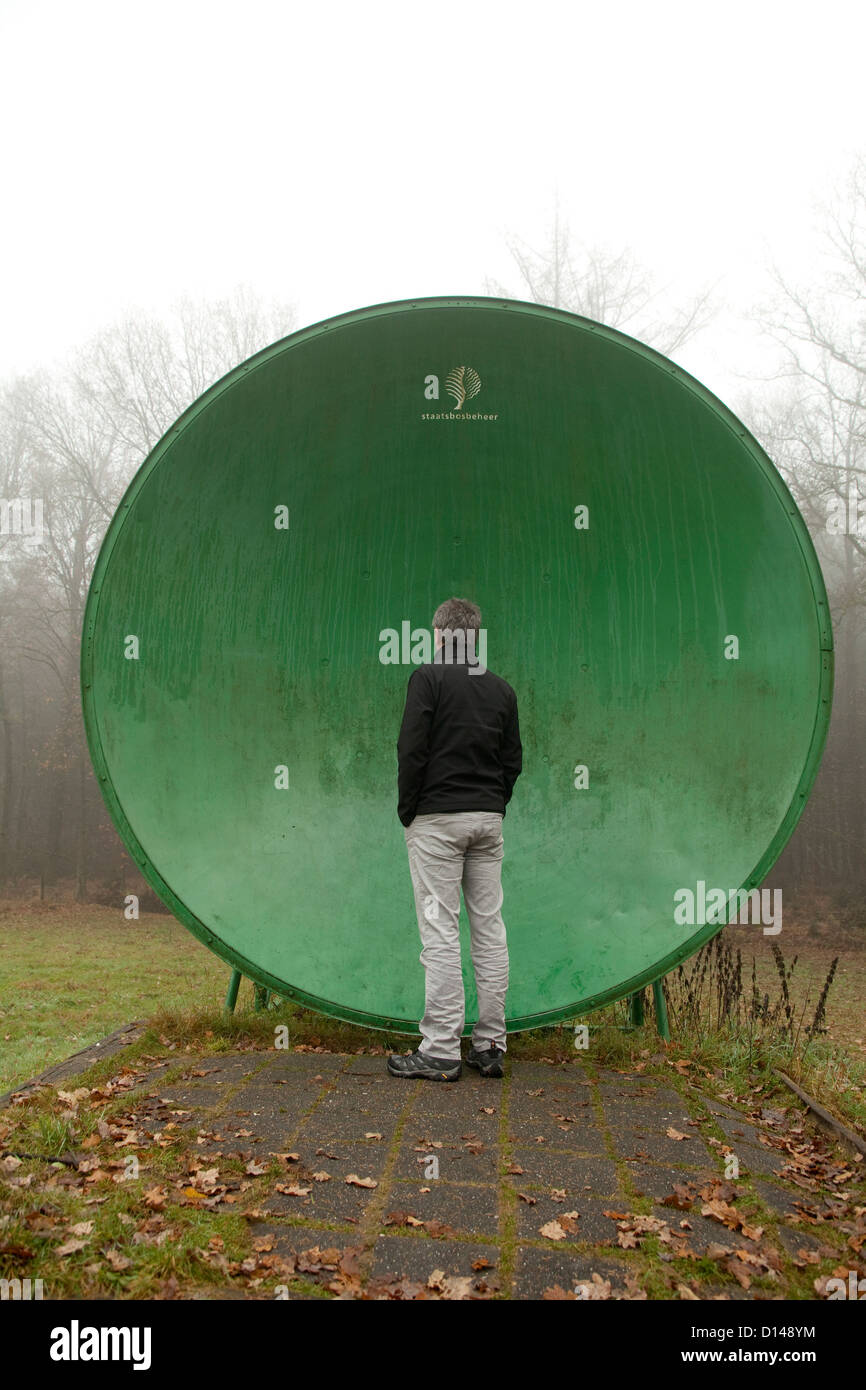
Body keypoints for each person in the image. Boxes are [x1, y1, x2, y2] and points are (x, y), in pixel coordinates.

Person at [388, 598, 522, 1082]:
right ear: (476, 636)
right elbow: (513, 762)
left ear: (440, 634)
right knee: (489, 929)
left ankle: (441, 1050)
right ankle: (489, 1046)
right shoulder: (501, 689)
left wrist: (410, 811)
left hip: (438, 822)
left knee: (440, 930)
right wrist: (493, 804)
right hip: (487, 822)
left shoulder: (428, 679)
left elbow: (411, 749)